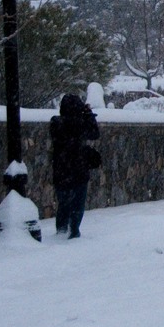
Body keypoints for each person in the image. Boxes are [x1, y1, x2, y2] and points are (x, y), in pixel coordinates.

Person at [51, 93, 100, 239]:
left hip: (61, 170)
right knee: (77, 204)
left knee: (64, 203)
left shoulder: (56, 123)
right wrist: (88, 114)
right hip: (79, 169)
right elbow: (94, 133)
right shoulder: (81, 124)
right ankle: (73, 231)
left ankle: (61, 230)